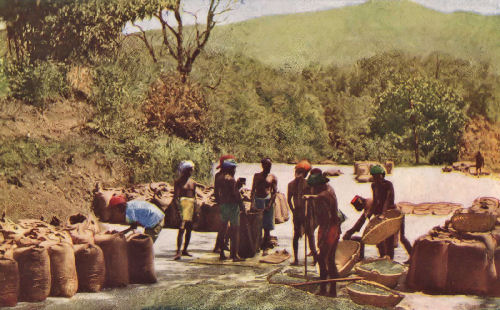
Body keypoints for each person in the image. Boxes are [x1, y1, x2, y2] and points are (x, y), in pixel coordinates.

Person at [346, 165, 412, 260]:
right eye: (374, 177)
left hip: (393, 214)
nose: (376, 179)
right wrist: (369, 215)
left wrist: (383, 214)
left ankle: (409, 257)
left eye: (378, 176)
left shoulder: (388, 184)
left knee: (399, 239)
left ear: (382, 175)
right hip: (382, 215)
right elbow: (376, 202)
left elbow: (388, 200)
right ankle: (383, 258)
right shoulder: (374, 186)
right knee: (380, 241)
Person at [304, 168, 340, 297]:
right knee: (329, 259)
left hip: (329, 228)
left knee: (322, 258)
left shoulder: (323, 196)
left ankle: (325, 288)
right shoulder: (328, 190)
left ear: (318, 186)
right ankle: (331, 289)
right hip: (332, 227)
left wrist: (323, 237)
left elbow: (326, 218)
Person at [287, 160, 317, 265]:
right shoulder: (290, 184)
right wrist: (293, 210)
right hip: (297, 213)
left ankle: (315, 258)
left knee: (310, 235)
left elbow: (312, 198)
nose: (298, 174)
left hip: (307, 212)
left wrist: (310, 211)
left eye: (301, 172)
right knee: (296, 235)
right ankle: (296, 259)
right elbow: (288, 200)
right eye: (297, 172)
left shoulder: (308, 184)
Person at [217, 159, 246, 261]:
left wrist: (219, 203)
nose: (235, 171)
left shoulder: (220, 178)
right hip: (233, 206)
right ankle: (234, 255)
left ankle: (221, 254)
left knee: (223, 229)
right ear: (230, 169)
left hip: (223, 205)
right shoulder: (231, 179)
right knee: (235, 230)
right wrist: (242, 205)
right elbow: (235, 194)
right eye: (234, 169)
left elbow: (217, 192)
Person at [251, 158, 278, 255]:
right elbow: (253, 190)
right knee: (257, 226)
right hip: (258, 201)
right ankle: (257, 246)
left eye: (270, 166)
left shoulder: (272, 177)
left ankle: (265, 248)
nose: (269, 168)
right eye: (267, 165)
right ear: (262, 166)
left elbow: (274, 193)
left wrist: (269, 205)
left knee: (267, 227)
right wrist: (252, 203)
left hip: (268, 201)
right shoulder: (257, 176)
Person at [173, 160, 197, 260]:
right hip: (182, 205)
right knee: (181, 228)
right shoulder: (178, 182)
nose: (191, 172)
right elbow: (176, 197)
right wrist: (178, 210)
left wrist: (195, 209)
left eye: (192, 170)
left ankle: (185, 250)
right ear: (186, 170)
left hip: (190, 206)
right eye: (190, 170)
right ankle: (178, 251)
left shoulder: (193, 183)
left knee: (189, 229)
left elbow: (194, 196)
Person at [213, 155, 235, 253]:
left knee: (226, 226)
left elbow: (216, 191)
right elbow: (217, 191)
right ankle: (220, 246)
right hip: (226, 203)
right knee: (224, 226)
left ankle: (223, 244)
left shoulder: (220, 176)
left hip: (224, 202)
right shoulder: (224, 177)